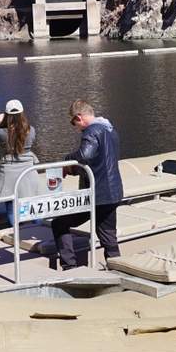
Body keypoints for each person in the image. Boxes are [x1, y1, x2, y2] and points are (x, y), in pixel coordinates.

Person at [50, 99, 123, 270]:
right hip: (113, 191)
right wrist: (74, 170)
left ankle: (69, 266)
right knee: (108, 234)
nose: (76, 127)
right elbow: (99, 161)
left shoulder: (91, 131)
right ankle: (118, 268)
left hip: (96, 194)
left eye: (73, 122)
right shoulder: (110, 129)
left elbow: (84, 154)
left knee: (59, 223)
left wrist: (66, 162)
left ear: (79, 117)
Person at [0, 99, 37, 228]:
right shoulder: (31, 130)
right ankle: (37, 228)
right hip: (27, 170)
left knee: (11, 206)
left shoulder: (1, 132)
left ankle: (17, 232)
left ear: (7, 115)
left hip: (9, 171)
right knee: (31, 203)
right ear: (22, 114)